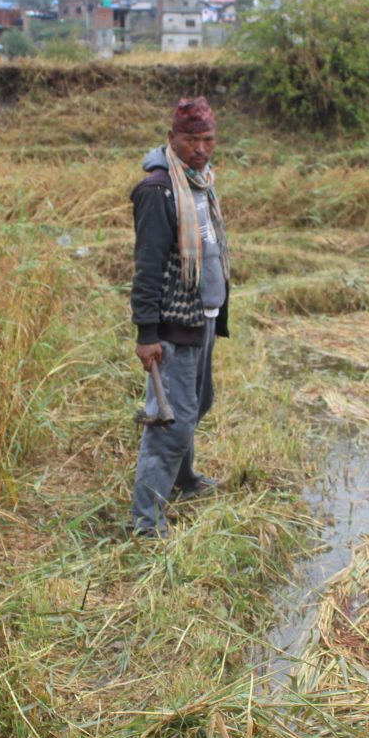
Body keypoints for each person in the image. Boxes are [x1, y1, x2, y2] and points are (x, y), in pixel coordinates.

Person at [129, 96, 231, 537]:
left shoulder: (200, 181)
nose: (201, 148)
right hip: (174, 322)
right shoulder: (159, 190)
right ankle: (146, 523)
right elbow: (147, 268)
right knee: (171, 422)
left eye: (208, 139)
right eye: (191, 139)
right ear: (172, 139)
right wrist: (147, 333)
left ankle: (184, 480)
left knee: (197, 404)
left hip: (202, 315)